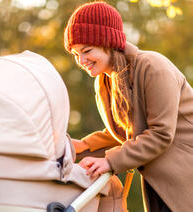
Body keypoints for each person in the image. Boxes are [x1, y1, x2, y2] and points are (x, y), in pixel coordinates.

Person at [64, 1, 193, 212]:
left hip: (185, 176)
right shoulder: (104, 81)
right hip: (158, 180)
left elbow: (161, 133)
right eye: (75, 54)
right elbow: (125, 133)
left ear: (108, 42)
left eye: (86, 50)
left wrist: (110, 161)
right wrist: (82, 146)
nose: (81, 60)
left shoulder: (153, 67)